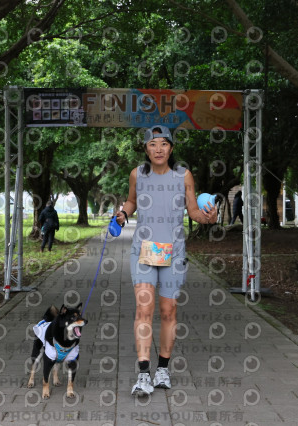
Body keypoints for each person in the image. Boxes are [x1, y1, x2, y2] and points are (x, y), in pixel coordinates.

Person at [115, 125, 217, 397]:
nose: (158, 149)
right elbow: (131, 201)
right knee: (144, 309)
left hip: (174, 251)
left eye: (163, 144)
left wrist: (209, 218)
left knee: (168, 311)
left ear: (171, 149)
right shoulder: (137, 174)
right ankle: (143, 373)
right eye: (153, 144)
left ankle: (162, 369)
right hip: (145, 249)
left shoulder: (183, 176)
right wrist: (123, 213)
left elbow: (193, 211)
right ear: (146, 148)